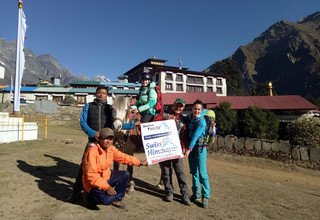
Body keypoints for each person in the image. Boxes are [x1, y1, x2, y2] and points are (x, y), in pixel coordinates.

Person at [82, 127, 148, 210]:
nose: (109, 141)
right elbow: (91, 176)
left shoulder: (111, 149)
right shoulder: (92, 152)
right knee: (106, 200)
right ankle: (88, 197)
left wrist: (139, 162)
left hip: (105, 178)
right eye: (106, 138)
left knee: (125, 174)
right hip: (92, 184)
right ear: (99, 139)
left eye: (111, 139)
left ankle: (117, 199)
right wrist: (107, 187)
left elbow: (124, 157)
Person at [68, 85, 113, 203]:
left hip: (106, 144)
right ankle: (75, 193)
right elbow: (83, 122)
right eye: (99, 92)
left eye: (104, 93)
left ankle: (106, 194)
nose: (101, 94)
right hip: (92, 142)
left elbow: (117, 124)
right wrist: (93, 133)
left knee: (105, 169)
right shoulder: (88, 106)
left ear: (106, 95)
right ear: (96, 94)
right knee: (84, 167)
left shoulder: (110, 108)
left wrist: (132, 126)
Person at [159, 98, 192, 205]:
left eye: (181, 106)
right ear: (173, 105)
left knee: (180, 172)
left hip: (177, 150)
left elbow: (189, 132)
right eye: (177, 105)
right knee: (166, 171)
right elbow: (155, 124)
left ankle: (185, 194)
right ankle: (169, 192)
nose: (179, 107)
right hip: (164, 149)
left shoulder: (185, 119)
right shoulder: (164, 116)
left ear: (183, 107)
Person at [184, 99, 211, 208]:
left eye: (199, 109)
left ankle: (206, 196)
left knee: (202, 173)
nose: (196, 111)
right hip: (192, 149)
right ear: (192, 109)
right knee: (194, 172)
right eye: (195, 108)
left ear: (202, 110)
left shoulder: (202, 121)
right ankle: (196, 194)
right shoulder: (191, 119)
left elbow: (196, 136)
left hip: (200, 149)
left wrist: (189, 149)